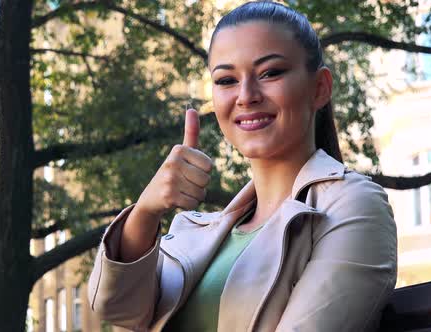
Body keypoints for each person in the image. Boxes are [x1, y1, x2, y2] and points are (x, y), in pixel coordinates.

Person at [87, 2, 397, 331]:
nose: (246, 95)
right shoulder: (197, 232)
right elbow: (115, 309)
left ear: (319, 88)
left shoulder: (353, 206)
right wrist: (147, 211)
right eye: (226, 80)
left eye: (270, 73)